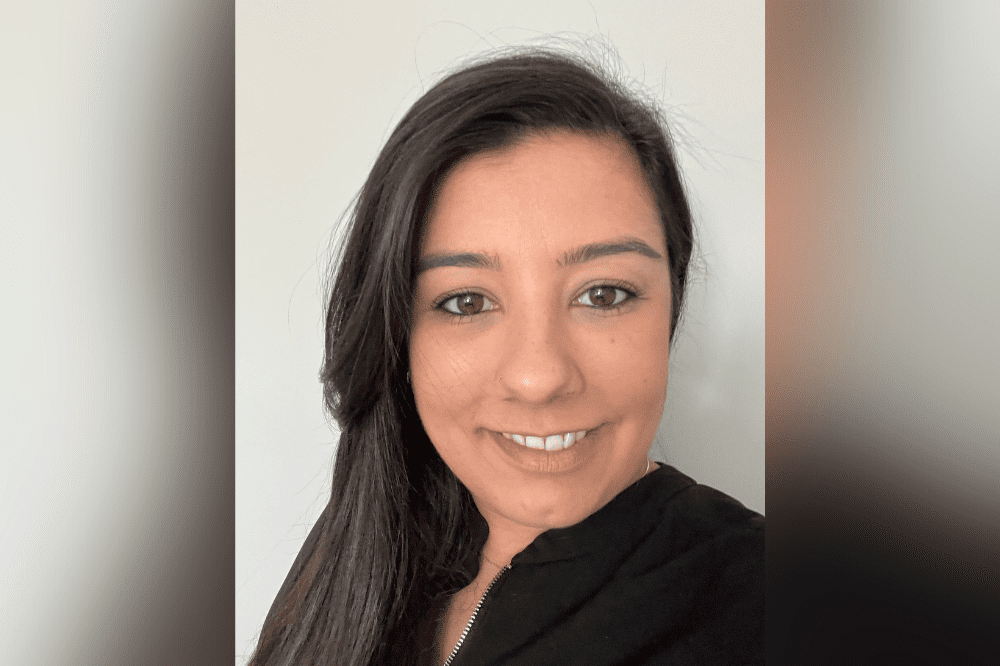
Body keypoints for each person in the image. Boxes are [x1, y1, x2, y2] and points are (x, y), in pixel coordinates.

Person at [249, 49, 763, 666]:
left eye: (603, 295)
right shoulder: (355, 554)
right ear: (396, 333)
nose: (538, 377)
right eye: (467, 302)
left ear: (671, 309)